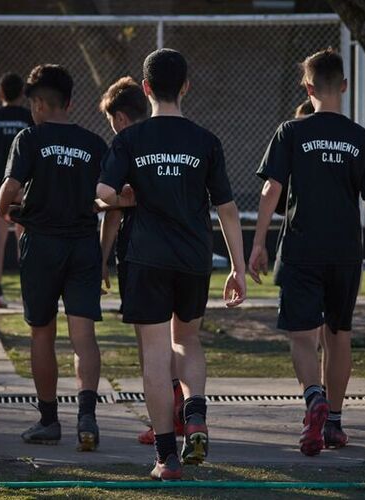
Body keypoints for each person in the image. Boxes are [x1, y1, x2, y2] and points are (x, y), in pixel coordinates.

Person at [97, 49, 246, 481]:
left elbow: (104, 191)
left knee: (156, 356)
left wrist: (126, 197)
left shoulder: (129, 140)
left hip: (146, 258)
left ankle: (167, 458)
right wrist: (237, 266)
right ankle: (195, 411)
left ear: (145, 89)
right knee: (189, 341)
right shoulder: (205, 141)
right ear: (185, 87)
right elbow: (228, 209)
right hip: (194, 258)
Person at [249, 48, 365, 457]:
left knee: (303, 335)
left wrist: (257, 244)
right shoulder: (363, 139)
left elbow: (270, 191)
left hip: (301, 248)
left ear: (308, 87)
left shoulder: (291, 132)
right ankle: (333, 421)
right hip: (346, 252)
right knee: (339, 334)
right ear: (344, 87)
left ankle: (313, 398)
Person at [0, 64, 110, 452]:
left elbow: (8, 193)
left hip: (42, 245)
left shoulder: (30, 138)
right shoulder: (95, 143)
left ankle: (48, 420)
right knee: (84, 335)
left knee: (42, 332)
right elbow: (112, 195)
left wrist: (12, 213)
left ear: (40, 104)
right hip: (82, 245)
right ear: (70, 101)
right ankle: (87, 417)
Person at [98, 76, 185, 446]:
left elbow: (111, 208)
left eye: (111, 122)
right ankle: (182, 407)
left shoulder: (127, 145)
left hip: (140, 254)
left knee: (150, 344)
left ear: (120, 117)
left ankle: (164, 422)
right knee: (181, 339)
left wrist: (101, 259)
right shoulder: (172, 140)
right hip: (183, 253)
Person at [0, 72, 33, 309]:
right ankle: (28, 289)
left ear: (0, 92)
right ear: (22, 94)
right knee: (24, 234)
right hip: (23, 184)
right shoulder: (28, 118)